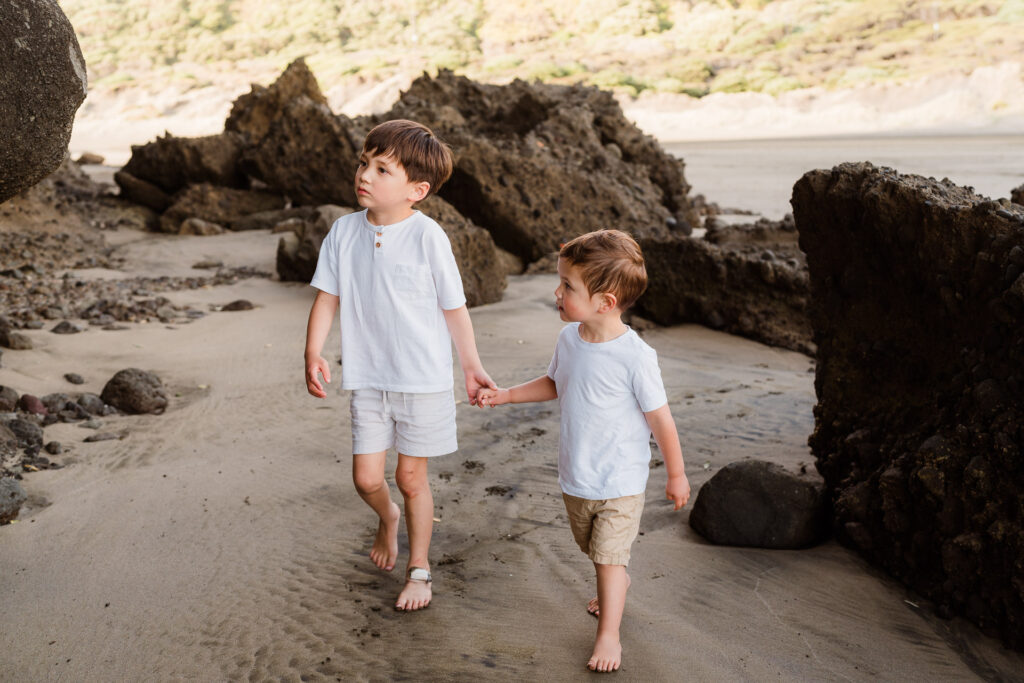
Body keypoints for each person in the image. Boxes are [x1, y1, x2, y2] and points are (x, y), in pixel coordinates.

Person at [477, 229, 690, 672]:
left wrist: (676, 474)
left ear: (606, 302)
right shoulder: (570, 340)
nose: (557, 293)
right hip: (577, 475)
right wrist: (506, 395)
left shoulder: (635, 357)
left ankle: (609, 634)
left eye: (567, 287)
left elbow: (660, 419)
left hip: (620, 480)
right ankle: (617, 580)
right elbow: (555, 383)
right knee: (592, 548)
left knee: (608, 558)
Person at [304, 119, 494, 611]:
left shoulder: (428, 237)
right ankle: (386, 518)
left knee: (412, 480)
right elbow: (327, 297)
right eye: (363, 163)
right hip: (367, 380)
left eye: (381, 168)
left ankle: (420, 570)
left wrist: (470, 366)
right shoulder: (344, 232)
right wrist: (313, 350)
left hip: (422, 382)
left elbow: (454, 308)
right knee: (367, 479)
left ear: (417, 190)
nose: (365, 174)